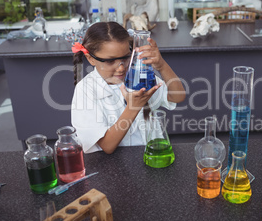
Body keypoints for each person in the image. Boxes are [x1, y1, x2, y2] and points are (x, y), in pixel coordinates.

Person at [71, 22, 185, 154]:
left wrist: (161, 66)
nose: (121, 67)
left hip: (149, 157)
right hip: (111, 167)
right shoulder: (86, 90)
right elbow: (107, 146)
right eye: (110, 61)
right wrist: (133, 107)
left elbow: (177, 96)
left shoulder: (138, 76)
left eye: (125, 57)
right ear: (91, 59)